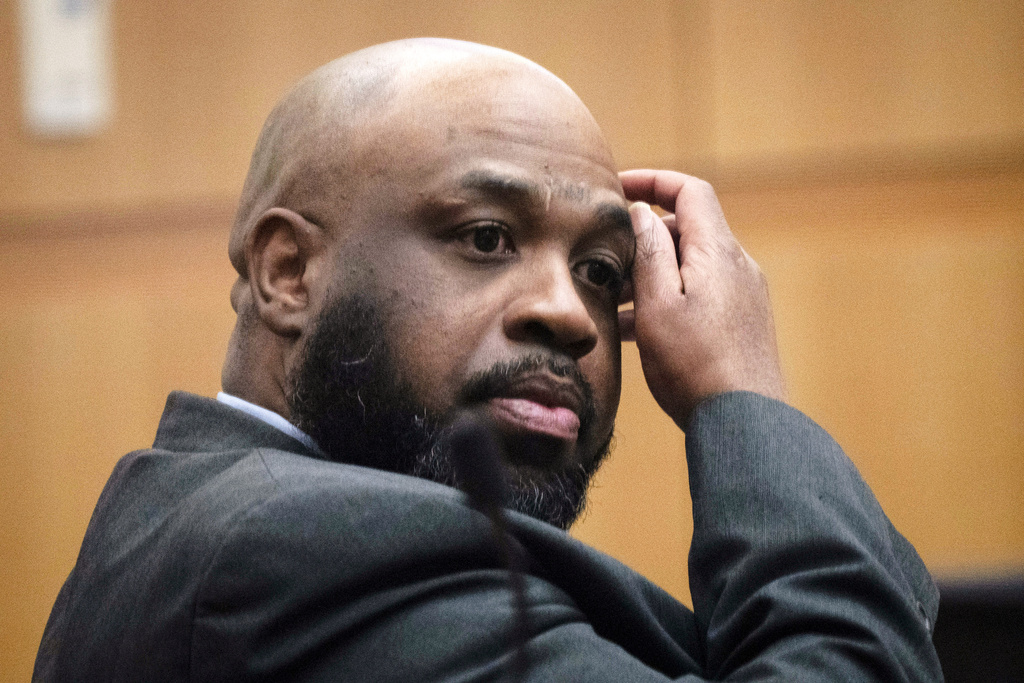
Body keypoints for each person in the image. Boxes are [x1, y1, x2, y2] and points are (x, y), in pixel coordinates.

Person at [34, 38, 942, 681]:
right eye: (485, 237)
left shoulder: (205, 521)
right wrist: (743, 400)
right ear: (288, 272)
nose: (569, 314)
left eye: (601, 270)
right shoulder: (298, 556)